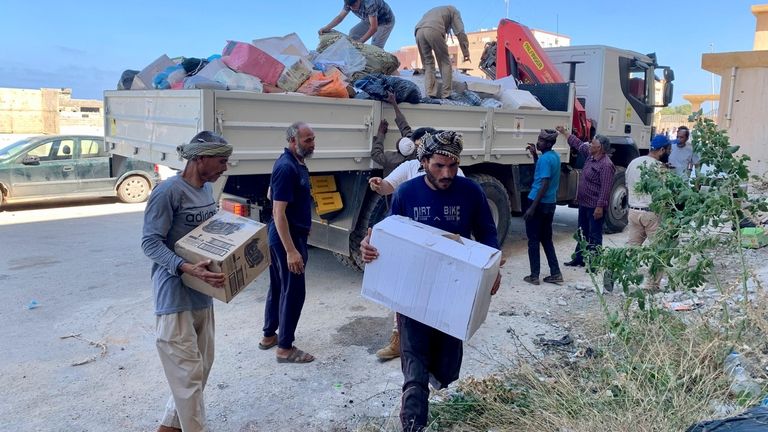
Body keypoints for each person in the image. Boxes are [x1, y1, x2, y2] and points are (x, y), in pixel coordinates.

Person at [359, 130, 502, 431]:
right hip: (412, 294)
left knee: (447, 368)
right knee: (415, 370)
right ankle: (413, 424)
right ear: (423, 162)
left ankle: (434, 381)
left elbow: (488, 233)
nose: (447, 173)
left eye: (452, 166)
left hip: (453, 293)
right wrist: (369, 247)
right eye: (439, 166)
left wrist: (493, 267)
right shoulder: (406, 193)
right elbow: (387, 235)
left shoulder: (471, 192)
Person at [141, 131, 232, 432]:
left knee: (200, 370)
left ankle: (170, 427)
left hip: (202, 294)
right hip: (174, 298)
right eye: (221, 161)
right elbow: (150, 244)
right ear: (200, 158)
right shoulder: (168, 192)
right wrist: (185, 268)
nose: (225, 168)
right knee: (188, 378)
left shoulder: (207, 190)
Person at [260, 122, 317, 364]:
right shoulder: (286, 167)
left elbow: (271, 194)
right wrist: (291, 250)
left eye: (313, 139)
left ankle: (269, 335)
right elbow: (278, 212)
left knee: (279, 286)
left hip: (291, 235)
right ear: (292, 141)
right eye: (307, 140)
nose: (312, 144)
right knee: (294, 292)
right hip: (287, 239)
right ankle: (284, 348)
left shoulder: (296, 163)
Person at [557, 126, 616, 269]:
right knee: (582, 232)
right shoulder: (591, 155)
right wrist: (565, 133)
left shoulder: (606, 165)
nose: (589, 144)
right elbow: (577, 144)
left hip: (595, 206)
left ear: (600, 147)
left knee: (595, 235)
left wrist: (599, 207)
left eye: (593, 143)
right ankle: (579, 258)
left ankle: (595, 263)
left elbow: (605, 188)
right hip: (584, 203)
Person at [625, 134, 671, 290]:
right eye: (668, 150)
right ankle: (652, 284)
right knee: (659, 250)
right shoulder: (659, 168)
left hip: (633, 211)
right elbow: (666, 194)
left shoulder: (633, 163)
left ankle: (617, 273)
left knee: (632, 249)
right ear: (662, 150)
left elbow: (627, 184)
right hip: (651, 214)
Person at [523, 129, 563, 286]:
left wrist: (532, 207)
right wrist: (534, 155)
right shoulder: (553, 157)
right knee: (546, 239)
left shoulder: (546, 159)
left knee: (533, 240)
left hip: (538, 203)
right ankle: (556, 273)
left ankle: (534, 276)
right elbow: (541, 174)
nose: (538, 142)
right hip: (550, 204)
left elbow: (544, 183)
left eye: (541, 140)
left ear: (549, 143)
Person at [414, 6, 471, 99]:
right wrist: (466, 53)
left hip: (418, 31)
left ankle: (430, 94)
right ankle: (446, 94)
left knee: (428, 64)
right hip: (433, 29)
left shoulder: (435, 11)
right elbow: (460, 32)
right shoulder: (454, 11)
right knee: (445, 62)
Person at [371, 92, 418, 177]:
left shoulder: (391, 159)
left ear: (399, 150)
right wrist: (394, 103)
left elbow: (376, 154)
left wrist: (381, 133)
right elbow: (404, 126)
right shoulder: (416, 154)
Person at [319, 0, 395, 49]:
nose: (352, 8)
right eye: (350, 6)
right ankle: (354, 58)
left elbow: (374, 28)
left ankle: (388, 69)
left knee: (375, 47)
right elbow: (340, 17)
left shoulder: (370, 3)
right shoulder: (349, 3)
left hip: (385, 22)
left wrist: (361, 41)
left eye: (354, 5)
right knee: (353, 33)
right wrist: (327, 27)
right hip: (369, 19)